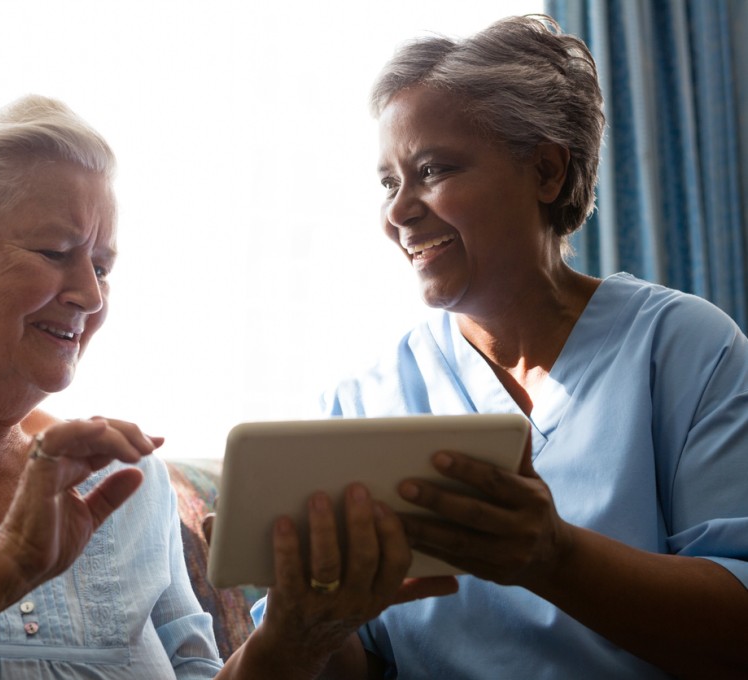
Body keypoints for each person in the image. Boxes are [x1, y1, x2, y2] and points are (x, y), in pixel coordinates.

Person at [0, 96, 456, 679]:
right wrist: (6, 563)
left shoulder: (125, 485)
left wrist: (293, 638)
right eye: (55, 251)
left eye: (102, 267)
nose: (90, 295)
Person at [250, 14, 748, 679]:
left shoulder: (682, 346)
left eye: (432, 169)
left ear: (545, 170)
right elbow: (361, 663)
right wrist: (308, 625)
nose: (399, 211)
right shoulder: (363, 401)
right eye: (388, 182)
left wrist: (554, 558)